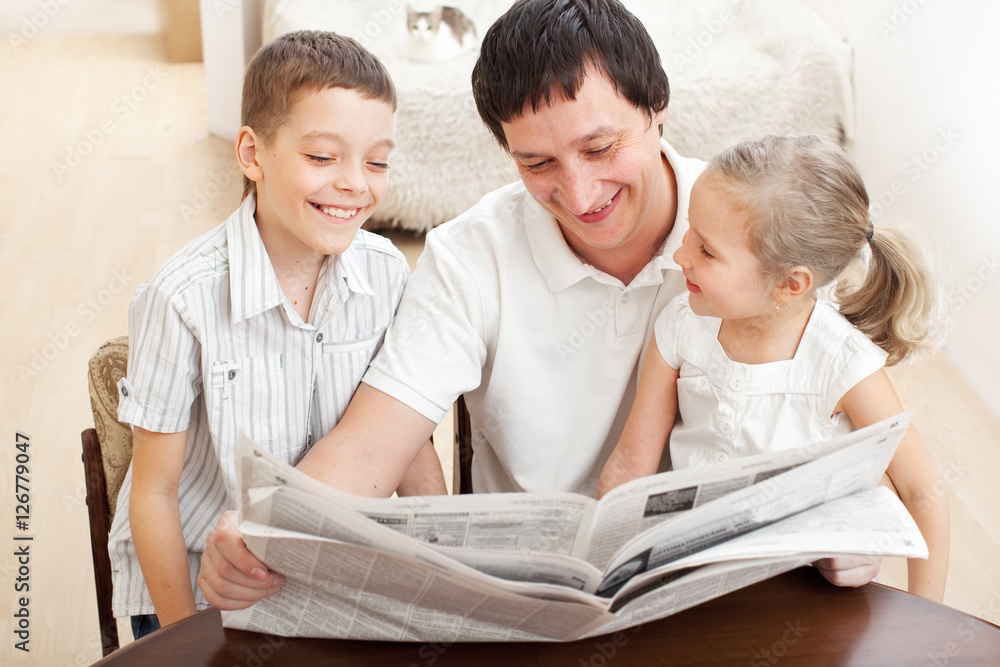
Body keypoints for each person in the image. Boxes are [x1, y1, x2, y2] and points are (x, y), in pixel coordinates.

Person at [197, 0, 882, 611]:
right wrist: (269, 525)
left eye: (601, 146)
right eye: (538, 164)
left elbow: (839, 420)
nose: (581, 196)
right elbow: (373, 446)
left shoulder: (759, 224)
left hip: (726, 592)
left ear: (659, 105)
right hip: (534, 599)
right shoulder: (470, 255)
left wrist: (849, 531)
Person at [107, 30, 444, 638]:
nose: (354, 184)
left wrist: (450, 569)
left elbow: (409, 439)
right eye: (322, 157)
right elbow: (153, 496)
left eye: (376, 161)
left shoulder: (389, 272)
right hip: (195, 586)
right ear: (252, 153)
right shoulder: (179, 298)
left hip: (329, 567)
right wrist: (188, 642)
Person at [597, 135, 950, 601]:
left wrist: (928, 620)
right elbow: (629, 467)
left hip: (797, 594)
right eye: (690, 234)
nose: (680, 256)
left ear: (790, 284)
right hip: (686, 575)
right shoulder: (682, 326)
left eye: (706, 250)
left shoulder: (843, 366)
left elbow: (922, 490)